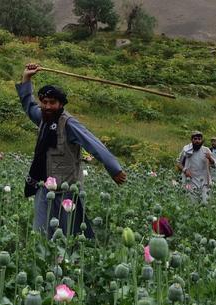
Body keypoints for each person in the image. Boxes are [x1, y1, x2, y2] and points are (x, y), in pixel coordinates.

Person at [16, 63, 127, 238]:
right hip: (43, 188)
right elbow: (28, 106)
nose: (47, 106)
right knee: (41, 235)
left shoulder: (68, 124)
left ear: (60, 104)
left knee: (69, 237)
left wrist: (114, 168)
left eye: (52, 103)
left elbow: (94, 144)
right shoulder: (43, 119)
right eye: (44, 102)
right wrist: (26, 78)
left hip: (66, 191)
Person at [177, 131, 216, 203]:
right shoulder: (186, 150)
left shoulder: (206, 150)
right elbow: (179, 163)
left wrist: (210, 158)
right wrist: (185, 170)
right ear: (191, 140)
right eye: (195, 139)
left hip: (204, 181)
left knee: (205, 203)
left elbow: (214, 165)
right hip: (190, 181)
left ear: (202, 140)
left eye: (199, 139)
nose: (197, 141)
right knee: (191, 203)